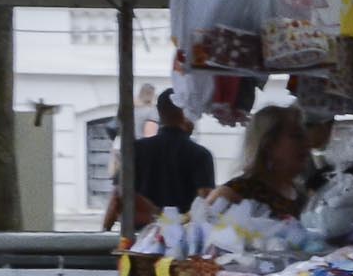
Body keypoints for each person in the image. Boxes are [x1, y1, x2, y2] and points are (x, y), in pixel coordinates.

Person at [105, 94, 215, 230]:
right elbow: (207, 203)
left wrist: (104, 233)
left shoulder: (136, 150)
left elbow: (117, 195)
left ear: (159, 112)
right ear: (185, 112)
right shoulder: (201, 155)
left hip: (140, 240)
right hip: (183, 240)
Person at [216, 104, 315, 219]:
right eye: (296, 136)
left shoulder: (301, 195)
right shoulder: (235, 193)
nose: (307, 143)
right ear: (268, 144)